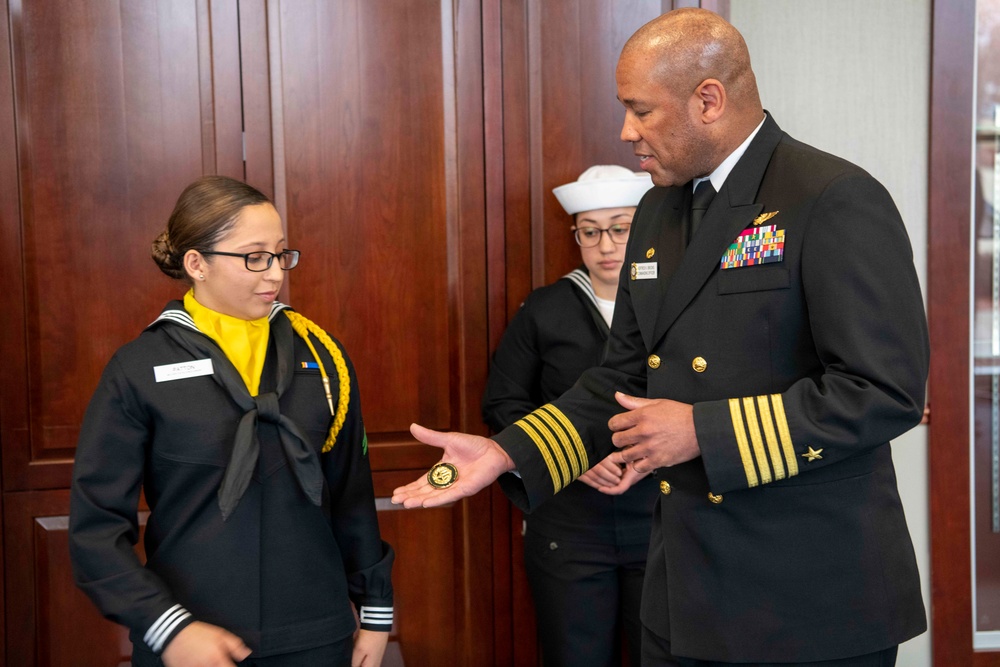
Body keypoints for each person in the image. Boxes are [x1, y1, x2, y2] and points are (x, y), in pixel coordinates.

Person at [393, 8, 928, 666]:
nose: (627, 132)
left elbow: (884, 390)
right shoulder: (658, 208)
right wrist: (508, 453)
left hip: (806, 599)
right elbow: (622, 379)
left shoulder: (830, 198)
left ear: (709, 99)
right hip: (684, 596)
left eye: (640, 110)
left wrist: (704, 430)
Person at [69, 175, 394, 667]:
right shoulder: (139, 368)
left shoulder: (322, 357)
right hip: (191, 635)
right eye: (254, 257)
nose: (275, 275)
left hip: (316, 633)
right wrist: (168, 628)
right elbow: (95, 529)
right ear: (196, 264)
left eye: (281, 255)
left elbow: (351, 494)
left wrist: (374, 612)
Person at [482, 165, 655, 667]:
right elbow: (503, 402)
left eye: (621, 228)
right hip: (570, 521)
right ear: (576, 235)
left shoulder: (675, 303)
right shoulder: (545, 308)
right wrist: (572, 457)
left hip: (662, 515)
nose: (606, 245)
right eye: (590, 231)